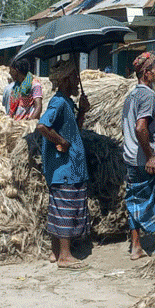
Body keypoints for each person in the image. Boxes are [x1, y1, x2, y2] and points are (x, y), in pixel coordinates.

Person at [36, 59, 91, 268]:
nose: (78, 81)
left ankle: (55, 252)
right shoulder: (58, 102)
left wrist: (82, 112)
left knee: (59, 208)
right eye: (75, 77)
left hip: (70, 166)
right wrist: (61, 141)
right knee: (66, 208)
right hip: (64, 168)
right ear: (67, 79)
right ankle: (65, 257)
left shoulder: (67, 102)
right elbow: (42, 126)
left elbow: (73, 130)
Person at [121, 52, 155, 259]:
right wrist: (151, 156)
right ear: (146, 73)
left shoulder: (131, 96)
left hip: (131, 158)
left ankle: (136, 247)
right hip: (146, 160)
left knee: (135, 201)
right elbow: (141, 128)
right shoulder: (147, 96)